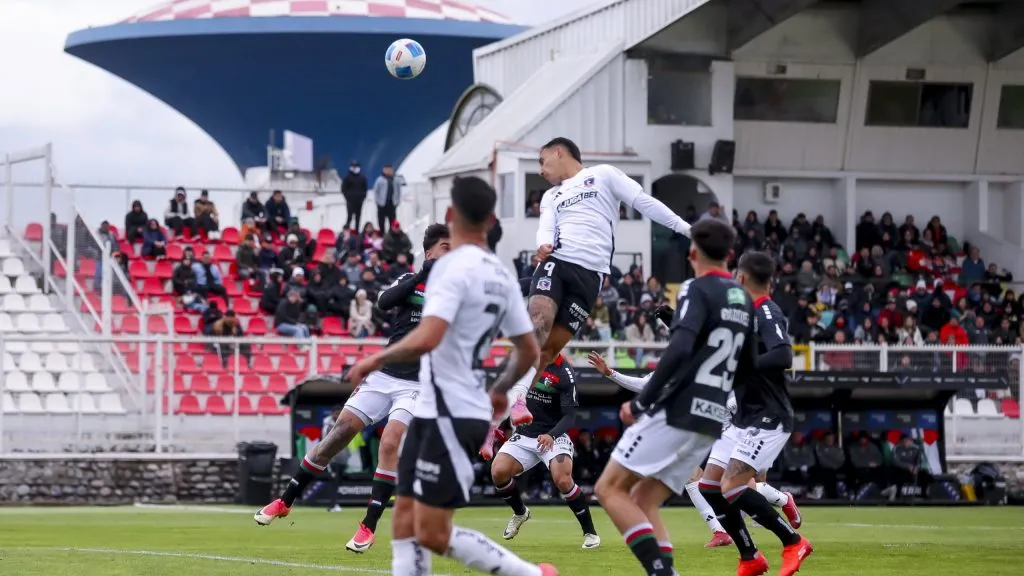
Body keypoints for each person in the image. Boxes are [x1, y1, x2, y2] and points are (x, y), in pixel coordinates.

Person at [345, 176, 557, 576]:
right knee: (405, 520)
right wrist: (499, 391)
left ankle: (529, 574)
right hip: (447, 409)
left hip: (447, 413)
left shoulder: (448, 268)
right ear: (491, 219)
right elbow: (530, 349)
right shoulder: (501, 275)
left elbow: (428, 336)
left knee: (432, 532)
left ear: (450, 215)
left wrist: (375, 360)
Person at [255, 224, 452, 556]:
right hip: (384, 376)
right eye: (446, 247)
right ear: (430, 251)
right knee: (336, 436)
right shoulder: (409, 280)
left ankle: (368, 527)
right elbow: (384, 302)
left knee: (390, 441)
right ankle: (286, 500)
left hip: (418, 383)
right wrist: (424, 273)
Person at [488, 137, 692, 449]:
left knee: (547, 352)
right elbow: (545, 228)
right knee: (538, 325)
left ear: (559, 152)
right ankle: (514, 403)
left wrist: (687, 229)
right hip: (558, 261)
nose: (541, 171)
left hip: (591, 277)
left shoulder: (604, 175)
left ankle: (501, 415)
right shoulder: (551, 195)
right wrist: (543, 244)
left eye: (542, 162)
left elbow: (643, 202)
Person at [593, 219, 749, 576]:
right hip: (712, 419)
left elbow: (680, 349)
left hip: (680, 409)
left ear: (692, 252)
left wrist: (642, 403)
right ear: (729, 254)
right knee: (644, 500)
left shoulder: (695, 287)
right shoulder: (743, 299)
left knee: (609, 489)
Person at [698, 250, 812, 576]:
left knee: (732, 485)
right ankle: (750, 556)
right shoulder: (743, 314)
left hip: (769, 416)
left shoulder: (766, 311)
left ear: (743, 278)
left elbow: (783, 354)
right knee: (709, 487)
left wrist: (745, 368)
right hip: (742, 418)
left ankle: (793, 542)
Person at [491, 354, 600, 549]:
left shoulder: (565, 372)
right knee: (498, 472)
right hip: (525, 434)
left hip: (553, 436)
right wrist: (499, 423)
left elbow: (569, 417)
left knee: (563, 480)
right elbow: (511, 397)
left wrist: (551, 435)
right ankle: (520, 512)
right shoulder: (525, 361)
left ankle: (590, 533)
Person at [373, 164, 403, 233]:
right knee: (381, 221)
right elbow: (376, 191)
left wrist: (397, 201)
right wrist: (378, 202)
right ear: (384, 170)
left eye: (390, 170)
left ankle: (391, 234)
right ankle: (382, 234)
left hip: (392, 204)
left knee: (392, 221)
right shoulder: (380, 180)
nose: (389, 171)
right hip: (382, 204)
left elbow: (398, 191)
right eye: (387, 170)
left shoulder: (395, 180)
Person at [342, 160, 369, 231]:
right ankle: (346, 231)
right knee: (349, 217)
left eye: (356, 166)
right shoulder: (347, 178)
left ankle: (357, 231)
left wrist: (363, 198)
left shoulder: (362, 178)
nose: (355, 168)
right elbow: (343, 189)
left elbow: (365, 188)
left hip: (359, 201)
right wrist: (348, 198)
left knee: (358, 217)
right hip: (350, 201)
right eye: (353, 166)